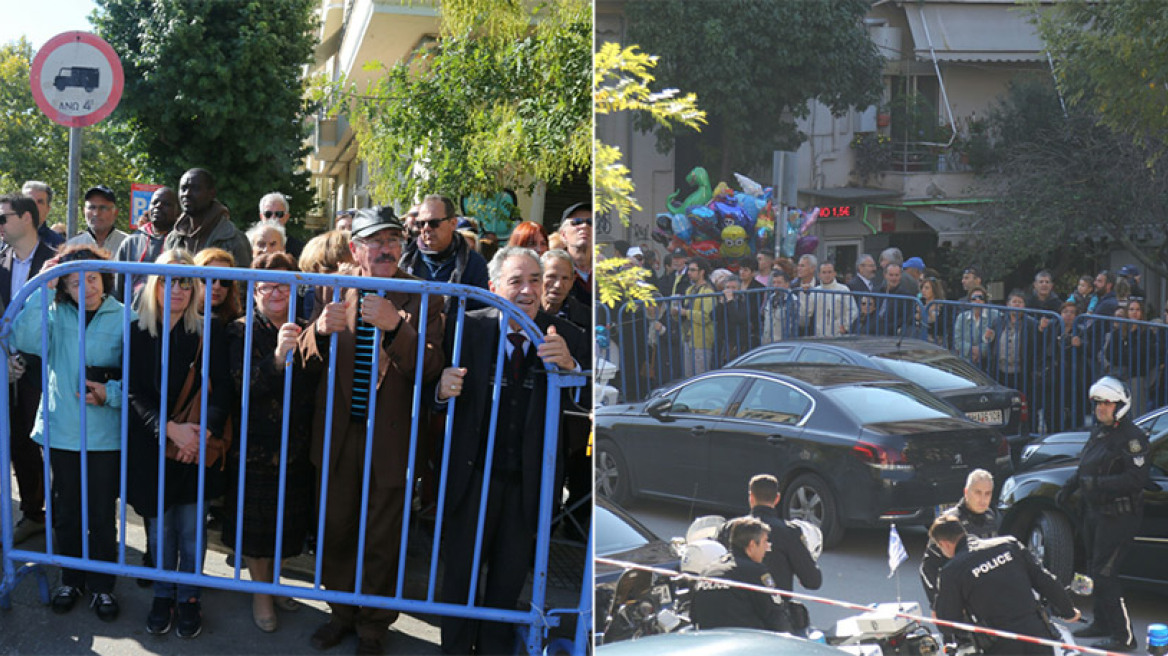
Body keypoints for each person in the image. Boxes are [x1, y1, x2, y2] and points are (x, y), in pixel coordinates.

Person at [296, 206, 444, 656]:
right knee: (337, 527)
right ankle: (339, 613)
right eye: (374, 242)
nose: (385, 249)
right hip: (341, 435)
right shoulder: (333, 288)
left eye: (392, 241)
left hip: (392, 439)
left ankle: (374, 626)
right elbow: (303, 363)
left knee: (382, 536)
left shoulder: (422, 295)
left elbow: (431, 368)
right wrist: (317, 331)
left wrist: (395, 326)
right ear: (355, 249)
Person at [434, 246, 587, 654]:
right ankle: (455, 649)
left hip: (529, 483)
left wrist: (571, 371)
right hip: (472, 477)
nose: (527, 290)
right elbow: (431, 391)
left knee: (508, 581)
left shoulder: (566, 336)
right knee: (460, 578)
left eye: (534, 280)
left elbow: (588, 406)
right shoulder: (466, 327)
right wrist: (441, 389)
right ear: (493, 287)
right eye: (516, 281)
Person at [9, 244, 128, 621]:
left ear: (103, 278)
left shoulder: (126, 316)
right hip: (61, 431)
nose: (86, 288)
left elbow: (141, 381)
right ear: (64, 288)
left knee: (100, 515)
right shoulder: (54, 312)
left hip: (105, 435)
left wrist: (109, 394)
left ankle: (103, 586)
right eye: (75, 283)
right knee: (66, 512)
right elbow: (24, 340)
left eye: (91, 278)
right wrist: (42, 286)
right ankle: (70, 578)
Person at [127, 249, 232, 639]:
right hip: (152, 445)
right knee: (159, 528)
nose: (179, 289)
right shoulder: (137, 329)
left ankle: (188, 597)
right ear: (155, 284)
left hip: (194, 446)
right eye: (171, 280)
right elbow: (135, 392)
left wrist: (203, 432)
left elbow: (223, 386)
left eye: (187, 282)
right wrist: (168, 429)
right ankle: (161, 593)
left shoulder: (210, 330)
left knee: (191, 529)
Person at [223, 252, 319, 633]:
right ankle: (261, 595)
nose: (276, 292)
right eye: (267, 285)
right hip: (255, 447)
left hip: (297, 445)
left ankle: (274, 584)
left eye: (285, 284)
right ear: (254, 290)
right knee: (257, 527)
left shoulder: (308, 328)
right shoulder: (240, 330)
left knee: (286, 523)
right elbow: (242, 385)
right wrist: (278, 356)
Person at [1056, 377, 1150, 652]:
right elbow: (1086, 465)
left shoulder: (1132, 438)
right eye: (1098, 403)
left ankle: (1124, 637)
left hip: (1120, 516)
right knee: (1094, 569)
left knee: (1105, 573)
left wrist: (1097, 485)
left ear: (1120, 406)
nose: (1101, 408)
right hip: (1095, 513)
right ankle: (1101, 623)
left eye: (1107, 403)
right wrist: (1070, 485)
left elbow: (1136, 478)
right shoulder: (1099, 432)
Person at [931, 515, 1079, 655]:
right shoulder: (1008, 544)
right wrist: (1068, 611)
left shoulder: (951, 571)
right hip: (1036, 633)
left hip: (1000, 643)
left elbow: (947, 624)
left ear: (944, 544)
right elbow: (1044, 579)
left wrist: (975, 627)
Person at [1, 193, 58, 547]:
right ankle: (34, 513)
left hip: (48, 367)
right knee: (19, 442)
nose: (0, 226)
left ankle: (67, 517)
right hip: (8, 368)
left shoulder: (57, 263)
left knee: (53, 446)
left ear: (26, 218)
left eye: (3, 218)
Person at [738, 475, 821, 632]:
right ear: (777, 499)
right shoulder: (789, 532)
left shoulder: (730, 528)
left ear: (751, 497)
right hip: (774, 619)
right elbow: (813, 581)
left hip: (736, 612)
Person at [919, 469, 999, 612]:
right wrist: (937, 605)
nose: (983, 499)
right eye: (978, 492)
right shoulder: (948, 522)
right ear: (966, 492)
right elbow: (927, 569)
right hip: (958, 599)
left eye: (987, 494)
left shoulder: (990, 517)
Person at [691, 517, 787, 632]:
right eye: (764, 542)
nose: (767, 548)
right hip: (744, 642)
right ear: (752, 545)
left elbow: (693, 616)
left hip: (708, 641)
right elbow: (775, 615)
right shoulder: (755, 571)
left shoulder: (708, 570)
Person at [398, 195, 490, 303]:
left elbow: (484, 312)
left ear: (453, 224)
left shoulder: (475, 264)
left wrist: (446, 319)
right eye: (421, 223)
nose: (426, 228)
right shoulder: (404, 259)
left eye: (434, 223)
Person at [165, 168, 252, 267]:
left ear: (212, 193)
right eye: (183, 188)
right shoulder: (173, 238)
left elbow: (243, 280)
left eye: (195, 188)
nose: (187, 194)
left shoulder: (233, 238)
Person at [115, 186, 179, 301]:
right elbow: (117, 287)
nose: (158, 206)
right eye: (154, 202)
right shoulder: (131, 242)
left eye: (166, 204)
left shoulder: (182, 242)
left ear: (177, 212)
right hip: (133, 314)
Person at [1100, 298, 1159, 417]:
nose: (1134, 312)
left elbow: (1144, 354)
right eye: (1131, 309)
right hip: (1119, 377)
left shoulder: (1147, 333)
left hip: (1137, 376)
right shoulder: (1119, 332)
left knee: (1138, 412)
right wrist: (1131, 354)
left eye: (1138, 309)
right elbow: (1110, 354)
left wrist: (1127, 354)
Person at [677, 257, 716, 376]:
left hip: (702, 341)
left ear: (702, 272)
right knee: (688, 377)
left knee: (701, 376)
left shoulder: (708, 292)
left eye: (693, 270)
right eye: (689, 270)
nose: (689, 273)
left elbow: (706, 317)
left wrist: (685, 313)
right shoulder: (689, 290)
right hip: (688, 338)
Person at [68, 185, 129, 254]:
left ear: (115, 213)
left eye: (103, 208)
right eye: (92, 207)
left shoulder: (128, 245)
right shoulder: (72, 247)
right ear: (84, 211)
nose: (96, 213)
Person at [540, 249, 589, 330]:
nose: (558, 285)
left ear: (572, 281)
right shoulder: (523, 313)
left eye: (565, 278)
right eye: (551, 276)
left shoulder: (587, 318)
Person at [192, 248, 243, 324]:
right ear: (194, 279)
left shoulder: (236, 325)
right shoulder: (177, 317)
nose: (217, 286)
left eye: (225, 280)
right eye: (209, 278)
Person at [953, 286, 998, 367]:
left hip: (987, 362)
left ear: (985, 301)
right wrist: (971, 350)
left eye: (981, 297)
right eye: (974, 298)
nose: (977, 300)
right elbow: (957, 340)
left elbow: (993, 340)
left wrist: (980, 351)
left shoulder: (995, 315)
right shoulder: (962, 317)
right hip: (966, 359)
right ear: (970, 301)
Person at [810, 260, 856, 337]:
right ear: (819, 275)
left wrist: (845, 326)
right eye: (824, 272)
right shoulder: (815, 291)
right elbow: (807, 311)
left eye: (829, 272)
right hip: (819, 335)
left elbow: (852, 310)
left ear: (834, 273)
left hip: (838, 335)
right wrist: (804, 294)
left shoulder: (843, 289)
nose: (827, 275)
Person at [558, 202, 592, 306]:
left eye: (590, 222)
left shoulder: (606, 271)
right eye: (577, 222)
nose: (584, 226)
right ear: (563, 235)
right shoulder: (555, 270)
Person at [20, 180, 65, 248]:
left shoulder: (59, 245)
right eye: (30, 201)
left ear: (48, 209)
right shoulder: (7, 241)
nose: (34, 205)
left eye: (40, 202)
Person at [258, 192, 304, 258]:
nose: (273, 218)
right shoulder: (249, 245)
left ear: (286, 217)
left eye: (279, 214)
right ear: (261, 216)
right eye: (268, 214)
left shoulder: (299, 249)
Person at [918, 276, 948, 346]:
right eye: (922, 288)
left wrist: (928, 312)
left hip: (936, 339)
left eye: (927, 288)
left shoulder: (942, 306)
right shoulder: (920, 303)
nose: (923, 290)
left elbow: (941, 325)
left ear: (934, 290)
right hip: (921, 337)